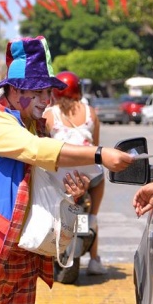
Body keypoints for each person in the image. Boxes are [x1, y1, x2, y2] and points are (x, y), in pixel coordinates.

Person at [0, 36, 135, 304]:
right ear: (16, 89)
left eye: (49, 92)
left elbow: (44, 178)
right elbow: (37, 151)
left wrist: (71, 191)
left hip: (24, 256)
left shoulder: (36, 126)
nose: (48, 101)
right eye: (40, 92)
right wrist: (99, 154)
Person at [43, 70, 107, 276]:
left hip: (61, 178)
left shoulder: (49, 114)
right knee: (91, 212)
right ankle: (95, 258)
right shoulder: (90, 112)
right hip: (89, 177)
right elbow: (96, 145)